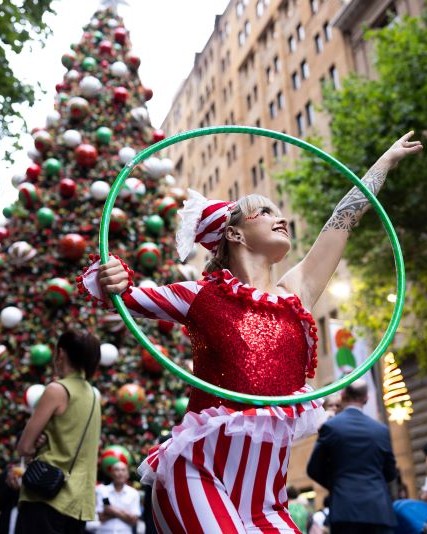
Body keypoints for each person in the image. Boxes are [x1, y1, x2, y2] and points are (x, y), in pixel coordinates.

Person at [80, 132, 422, 532]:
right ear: (235, 233)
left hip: (265, 500)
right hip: (197, 475)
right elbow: (125, 296)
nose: (281, 218)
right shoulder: (201, 296)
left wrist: (386, 162)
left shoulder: (296, 294)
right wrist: (113, 277)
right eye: (264, 211)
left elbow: (343, 219)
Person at [15, 330, 101, 534]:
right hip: (79, 503)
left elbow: (24, 447)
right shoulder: (93, 396)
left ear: (60, 354)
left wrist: (36, 444)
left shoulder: (57, 390)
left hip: (46, 496)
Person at [307, 379, 398, 534]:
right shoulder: (381, 430)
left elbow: (314, 468)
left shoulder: (331, 427)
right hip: (379, 510)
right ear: (366, 398)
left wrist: (338, 484)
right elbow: (391, 472)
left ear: (342, 395)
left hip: (345, 510)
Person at [95, 461, 141, 533]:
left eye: (123, 470)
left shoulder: (134, 493)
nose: (120, 473)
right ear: (111, 474)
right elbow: (101, 517)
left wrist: (112, 509)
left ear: (127, 474)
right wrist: (126, 513)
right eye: (117, 470)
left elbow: (134, 520)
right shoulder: (102, 490)